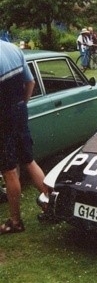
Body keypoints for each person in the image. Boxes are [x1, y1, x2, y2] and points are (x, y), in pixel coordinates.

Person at [0, 40, 50, 234]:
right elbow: (30, 82)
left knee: (9, 170)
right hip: (19, 111)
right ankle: (50, 206)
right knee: (29, 161)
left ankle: (15, 221)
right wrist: (22, 105)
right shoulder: (13, 49)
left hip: (3, 118)